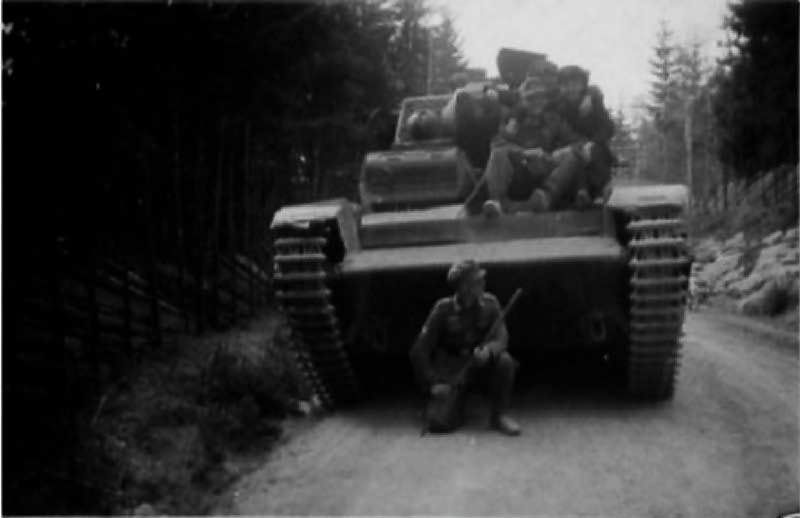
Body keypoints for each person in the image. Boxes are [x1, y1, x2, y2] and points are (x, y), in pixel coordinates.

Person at [409, 260, 521, 436]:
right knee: (439, 423)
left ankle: (498, 416)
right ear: (462, 286)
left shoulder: (490, 303)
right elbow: (419, 350)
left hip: (479, 364)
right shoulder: (443, 309)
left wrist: (488, 352)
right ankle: (453, 405)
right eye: (476, 281)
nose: (482, 283)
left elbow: (502, 337)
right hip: (453, 369)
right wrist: (433, 383)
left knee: (505, 362)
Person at [464, 76, 588, 215]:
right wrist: (524, 153)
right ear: (523, 101)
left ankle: (542, 199)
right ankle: (498, 202)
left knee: (574, 156)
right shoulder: (513, 120)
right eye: (531, 99)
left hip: (545, 170)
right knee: (498, 154)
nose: (537, 102)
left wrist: (555, 154)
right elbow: (497, 144)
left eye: (540, 98)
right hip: (521, 171)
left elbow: (579, 141)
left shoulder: (553, 119)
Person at [555, 65, 616, 204]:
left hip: (595, 145)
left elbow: (608, 128)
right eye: (566, 85)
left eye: (575, 84)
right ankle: (581, 192)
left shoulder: (594, 103)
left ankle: (600, 190)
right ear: (560, 87)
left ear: (582, 85)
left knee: (595, 153)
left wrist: (592, 143)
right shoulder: (558, 105)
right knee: (573, 156)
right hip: (570, 146)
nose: (571, 89)